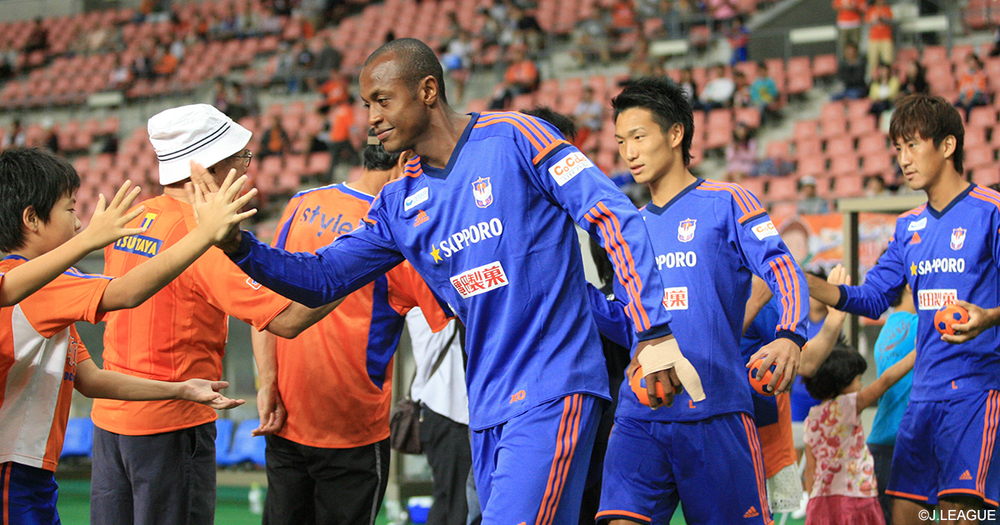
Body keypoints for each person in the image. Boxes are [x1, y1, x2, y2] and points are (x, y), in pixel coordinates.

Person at [207, 38, 694, 525]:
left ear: (427, 90)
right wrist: (239, 246)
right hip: (485, 406)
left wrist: (652, 331)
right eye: (366, 105)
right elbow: (323, 277)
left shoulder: (517, 137)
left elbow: (612, 215)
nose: (371, 118)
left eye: (382, 100)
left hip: (553, 387)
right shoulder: (398, 203)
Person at [90, 104, 338, 525]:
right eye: (240, 158)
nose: (245, 170)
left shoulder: (134, 219)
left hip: (111, 420)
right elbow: (288, 317)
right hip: (171, 426)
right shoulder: (203, 239)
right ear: (209, 167)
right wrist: (359, 266)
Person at [594, 77, 808, 524]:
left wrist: (790, 334)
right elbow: (627, 321)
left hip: (716, 412)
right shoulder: (628, 226)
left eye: (638, 137)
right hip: (640, 413)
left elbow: (784, 269)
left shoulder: (728, 202)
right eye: (621, 141)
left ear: (675, 134)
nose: (628, 152)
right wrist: (577, 294)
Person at [0, 146, 254, 524]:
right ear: (32, 219)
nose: (78, 224)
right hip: (12, 471)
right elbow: (127, 292)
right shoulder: (44, 287)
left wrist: (179, 389)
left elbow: (91, 380)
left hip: (29, 473)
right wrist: (203, 234)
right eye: (70, 210)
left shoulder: (44, 293)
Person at [804, 93, 1000, 525]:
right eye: (898, 149)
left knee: (958, 515)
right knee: (906, 514)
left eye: (912, 145)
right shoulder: (908, 226)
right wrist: (804, 283)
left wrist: (989, 316)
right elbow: (873, 297)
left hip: (975, 392)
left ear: (947, 145)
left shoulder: (991, 211)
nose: (903, 160)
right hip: (922, 396)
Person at [253, 131, 451, 525]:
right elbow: (456, 311)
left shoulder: (303, 203)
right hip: (352, 431)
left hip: (285, 415)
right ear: (405, 161)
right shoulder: (401, 232)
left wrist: (267, 382)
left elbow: (263, 300)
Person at [802, 346, 916, 525]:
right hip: (855, 496)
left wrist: (812, 500)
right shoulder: (849, 404)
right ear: (841, 383)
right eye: (858, 380)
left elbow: (810, 468)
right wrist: (917, 352)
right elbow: (885, 381)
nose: (861, 385)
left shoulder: (811, 418)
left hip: (822, 501)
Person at [407, 310, 471, 525]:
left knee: (445, 498)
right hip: (450, 415)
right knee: (459, 503)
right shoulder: (433, 309)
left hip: (436, 414)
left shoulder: (417, 311)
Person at [867, 283, 916, 525]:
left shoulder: (888, 327)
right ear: (909, 285)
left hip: (881, 441)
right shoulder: (922, 326)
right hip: (905, 442)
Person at [956, 54, 989, 123]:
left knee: (969, 107)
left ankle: (967, 124)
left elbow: (980, 91)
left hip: (978, 100)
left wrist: (970, 100)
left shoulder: (981, 74)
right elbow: (961, 91)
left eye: (972, 61)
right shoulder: (964, 76)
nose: (970, 63)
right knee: (954, 106)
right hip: (966, 99)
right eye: (969, 61)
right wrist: (963, 99)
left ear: (976, 62)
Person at [865, 0, 894, 79]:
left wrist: (883, 18)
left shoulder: (886, 8)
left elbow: (890, 19)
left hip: (886, 37)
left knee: (887, 60)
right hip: (874, 38)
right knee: (873, 61)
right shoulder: (871, 9)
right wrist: (876, 19)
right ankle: (873, 78)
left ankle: (888, 77)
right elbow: (868, 21)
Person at [572, 86, 604, 155]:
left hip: (592, 130)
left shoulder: (597, 105)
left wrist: (584, 116)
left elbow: (593, 115)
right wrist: (585, 116)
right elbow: (576, 116)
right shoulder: (580, 104)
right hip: (580, 128)